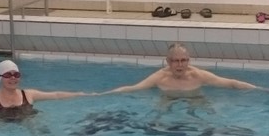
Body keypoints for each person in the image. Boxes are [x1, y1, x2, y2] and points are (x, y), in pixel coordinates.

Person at [0, 59, 97, 120]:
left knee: (39, 129)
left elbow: (55, 95)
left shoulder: (28, 94)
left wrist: (81, 94)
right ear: (0, 78)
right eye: (8, 75)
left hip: (26, 120)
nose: (13, 78)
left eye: (16, 74)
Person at [108, 43, 259, 96]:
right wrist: (100, 95)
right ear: (168, 61)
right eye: (176, 61)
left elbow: (231, 83)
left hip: (195, 99)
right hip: (168, 100)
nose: (180, 65)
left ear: (188, 61)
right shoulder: (159, 78)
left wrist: (260, 90)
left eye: (184, 60)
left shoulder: (198, 75)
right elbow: (133, 88)